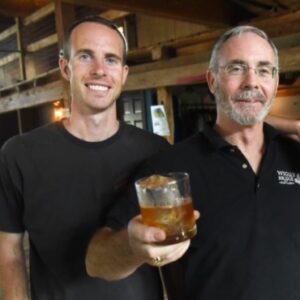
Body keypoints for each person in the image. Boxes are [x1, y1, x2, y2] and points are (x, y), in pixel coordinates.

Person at [85, 25, 300, 300]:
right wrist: (131, 245)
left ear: (275, 79)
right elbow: (96, 261)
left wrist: (293, 125)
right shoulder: (170, 169)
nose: (252, 82)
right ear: (212, 81)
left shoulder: (293, 154)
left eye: (263, 70)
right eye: (236, 68)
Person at [0, 15, 173, 300]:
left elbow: (167, 248)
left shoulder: (155, 151)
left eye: (111, 60)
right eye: (85, 56)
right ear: (65, 68)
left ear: (124, 74)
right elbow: (9, 253)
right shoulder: (19, 155)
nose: (99, 70)